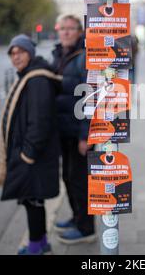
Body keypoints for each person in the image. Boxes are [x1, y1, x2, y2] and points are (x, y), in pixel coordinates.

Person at [0, 34, 62, 255]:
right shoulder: (28, 76)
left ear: (30, 53)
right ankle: (40, 243)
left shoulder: (37, 80)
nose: (16, 57)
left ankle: (35, 248)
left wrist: (28, 154)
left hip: (34, 155)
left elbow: (40, 121)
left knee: (33, 200)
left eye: (20, 52)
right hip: (31, 153)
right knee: (33, 200)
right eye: (12, 53)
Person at [50, 15, 95, 244]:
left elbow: (89, 98)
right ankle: (77, 217)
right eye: (63, 28)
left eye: (71, 29)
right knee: (68, 177)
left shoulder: (83, 57)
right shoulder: (59, 55)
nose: (66, 33)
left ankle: (87, 228)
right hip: (64, 131)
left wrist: (85, 135)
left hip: (79, 133)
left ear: (80, 32)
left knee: (79, 180)